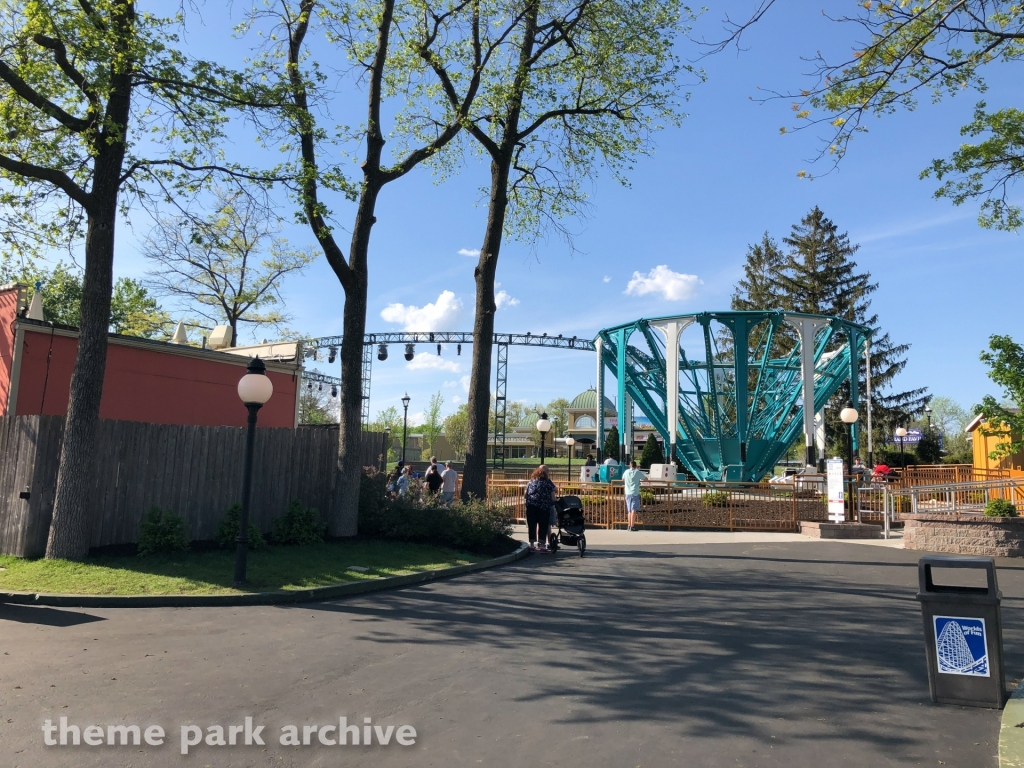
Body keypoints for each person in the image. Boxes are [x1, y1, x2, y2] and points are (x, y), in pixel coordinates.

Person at [524, 465, 557, 552]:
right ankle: (542, 546)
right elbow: (553, 498)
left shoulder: (530, 483)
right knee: (543, 526)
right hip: (544, 508)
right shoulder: (547, 484)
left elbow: (525, 495)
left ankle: (531, 545)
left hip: (531, 507)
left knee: (532, 526)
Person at [622, 460, 646, 531]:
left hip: (627, 492)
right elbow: (645, 479)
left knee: (629, 510)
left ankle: (629, 525)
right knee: (634, 510)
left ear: (630, 466)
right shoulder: (637, 472)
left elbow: (623, 479)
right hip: (635, 492)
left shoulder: (626, 472)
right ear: (636, 466)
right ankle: (632, 526)